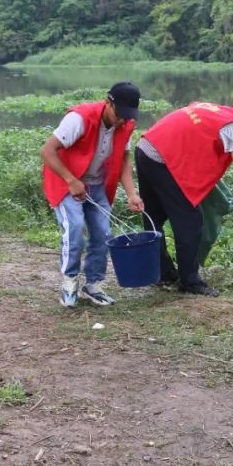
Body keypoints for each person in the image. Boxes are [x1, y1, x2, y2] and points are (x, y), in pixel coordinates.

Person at [136, 95, 233, 296]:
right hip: (162, 159)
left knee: (153, 216)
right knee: (190, 220)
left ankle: (162, 272)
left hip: (146, 147)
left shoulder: (213, 109)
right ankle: (189, 281)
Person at [40, 82, 144, 308]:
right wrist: (71, 180)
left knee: (103, 234)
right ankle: (69, 282)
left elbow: (124, 159)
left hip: (96, 185)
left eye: (127, 116)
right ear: (107, 102)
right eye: (119, 114)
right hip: (67, 182)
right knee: (75, 228)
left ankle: (93, 285)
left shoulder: (125, 124)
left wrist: (132, 193)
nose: (122, 121)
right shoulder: (80, 118)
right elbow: (47, 151)